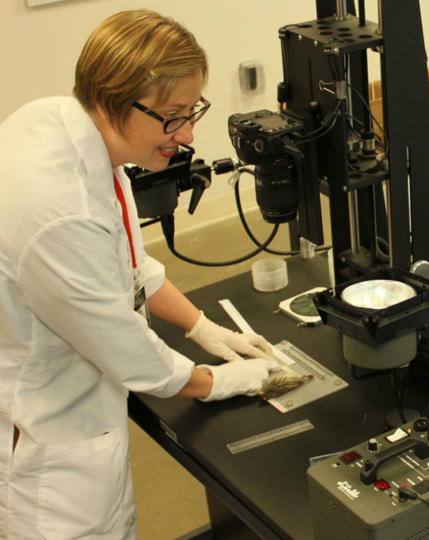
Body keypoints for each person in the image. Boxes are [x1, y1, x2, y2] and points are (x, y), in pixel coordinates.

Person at [0, 11, 281, 539]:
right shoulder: (61, 209)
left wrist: (201, 326)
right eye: (173, 116)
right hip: (51, 445)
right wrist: (217, 382)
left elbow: (127, 264)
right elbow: (130, 353)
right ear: (113, 98)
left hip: (77, 401)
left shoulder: (67, 123)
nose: (188, 133)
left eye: (192, 110)